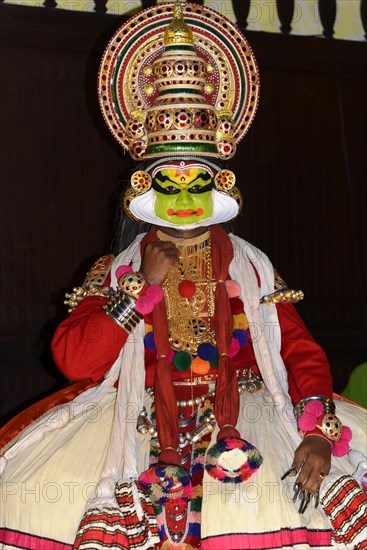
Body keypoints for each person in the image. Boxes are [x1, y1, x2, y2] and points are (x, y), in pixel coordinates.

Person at [0, 2, 366, 549]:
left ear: (222, 186)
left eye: (198, 180)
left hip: (245, 419)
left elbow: (301, 353)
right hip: (134, 426)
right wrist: (139, 291)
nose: (185, 196)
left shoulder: (253, 266)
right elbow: (74, 360)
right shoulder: (115, 270)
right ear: (143, 190)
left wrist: (315, 432)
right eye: (168, 183)